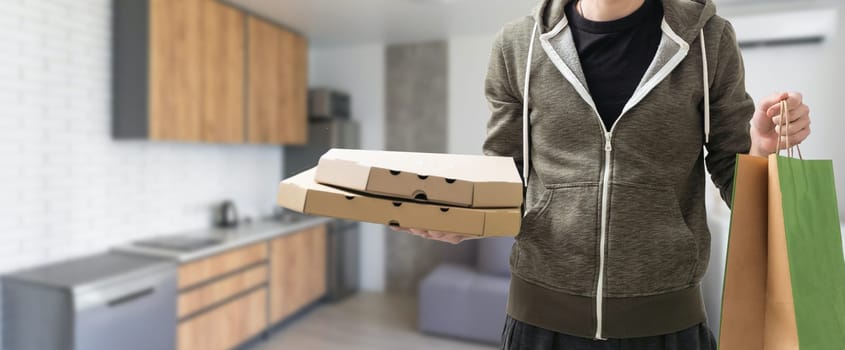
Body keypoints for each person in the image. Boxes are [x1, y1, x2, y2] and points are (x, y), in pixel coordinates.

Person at [392, 0, 812, 348]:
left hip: (667, 327)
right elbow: (505, 176)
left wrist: (762, 150)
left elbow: (735, 176)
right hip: (539, 324)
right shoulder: (517, 46)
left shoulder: (709, 41)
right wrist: (465, 219)